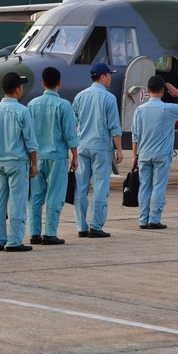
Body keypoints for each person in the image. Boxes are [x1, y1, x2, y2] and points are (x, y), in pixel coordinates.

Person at [0, 72, 38, 252]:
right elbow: (30, 141)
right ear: (17, 89)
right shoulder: (22, 111)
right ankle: (14, 241)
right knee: (18, 202)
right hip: (17, 162)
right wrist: (34, 163)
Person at [131, 75, 178, 229]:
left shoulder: (139, 110)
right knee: (158, 187)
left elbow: (135, 135)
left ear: (147, 90)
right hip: (161, 154)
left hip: (143, 154)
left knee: (144, 186)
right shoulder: (168, 108)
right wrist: (177, 93)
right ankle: (154, 220)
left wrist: (135, 156)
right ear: (163, 91)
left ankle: (143, 220)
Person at [27, 67, 79, 245]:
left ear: (42, 83)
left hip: (36, 157)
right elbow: (70, 134)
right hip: (57, 156)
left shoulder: (32, 105)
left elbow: (28, 134)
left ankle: (34, 233)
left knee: (35, 196)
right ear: (59, 83)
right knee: (55, 195)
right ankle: (50, 233)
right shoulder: (64, 105)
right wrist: (75, 156)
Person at [72, 62, 123, 238]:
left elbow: (74, 122)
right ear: (102, 77)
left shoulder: (80, 96)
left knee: (81, 187)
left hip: (82, 146)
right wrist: (119, 150)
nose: (110, 78)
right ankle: (96, 226)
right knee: (100, 187)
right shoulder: (109, 98)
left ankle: (81, 226)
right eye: (109, 75)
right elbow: (114, 127)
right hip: (101, 147)